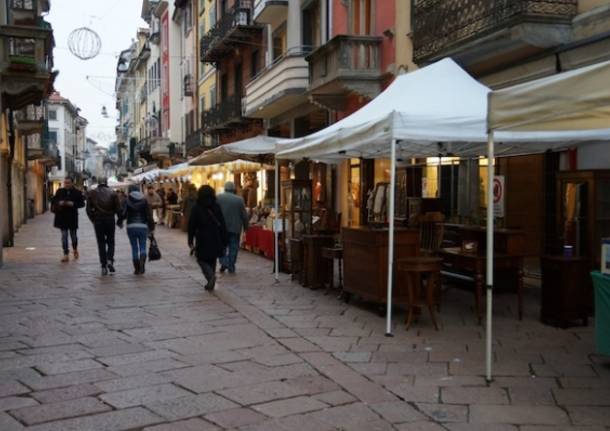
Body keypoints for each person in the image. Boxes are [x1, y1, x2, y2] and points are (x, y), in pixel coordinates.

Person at [188, 185, 227, 291]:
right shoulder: (216, 206)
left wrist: (190, 240)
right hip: (215, 236)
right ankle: (211, 278)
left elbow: (191, 225)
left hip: (202, 237)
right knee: (212, 258)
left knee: (201, 259)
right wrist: (224, 239)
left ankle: (210, 276)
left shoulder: (196, 207)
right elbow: (222, 223)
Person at [86, 178, 121, 276]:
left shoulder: (92, 193)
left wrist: (93, 219)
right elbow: (118, 209)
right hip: (110, 220)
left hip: (98, 220)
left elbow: (88, 210)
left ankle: (103, 265)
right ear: (106, 183)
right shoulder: (113, 193)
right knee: (111, 241)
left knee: (101, 243)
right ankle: (110, 259)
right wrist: (120, 219)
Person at [117, 184, 155, 275]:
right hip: (143, 226)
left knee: (134, 247)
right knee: (142, 245)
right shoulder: (145, 200)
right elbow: (149, 215)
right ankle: (142, 262)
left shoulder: (126, 200)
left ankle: (137, 268)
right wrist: (152, 227)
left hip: (131, 226)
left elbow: (122, 213)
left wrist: (120, 222)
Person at [217, 181, 249, 274]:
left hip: (222, 228)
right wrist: (246, 227)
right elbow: (244, 215)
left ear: (225, 188)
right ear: (233, 189)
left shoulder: (219, 198)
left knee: (221, 247)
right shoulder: (239, 200)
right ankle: (231, 265)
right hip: (235, 228)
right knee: (233, 247)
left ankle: (224, 262)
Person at [51, 177, 85, 262]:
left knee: (73, 236)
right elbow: (54, 201)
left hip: (72, 217)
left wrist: (73, 204)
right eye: (65, 183)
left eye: (68, 183)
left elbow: (82, 204)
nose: (66, 184)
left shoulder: (77, 192)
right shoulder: (59, 191)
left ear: (72, 183)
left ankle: (75, 249)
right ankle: (65, 254)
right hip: (62, 217)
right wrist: (59, 202)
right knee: (64, 236)